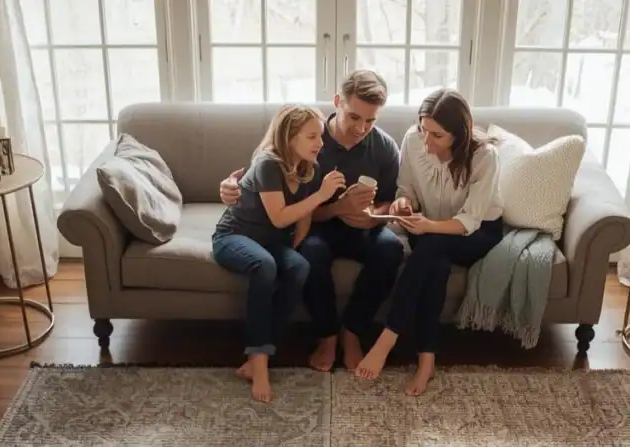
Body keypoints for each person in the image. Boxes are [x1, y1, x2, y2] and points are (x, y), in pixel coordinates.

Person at [219, 70, 405, 373]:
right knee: (310, 253)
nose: (362, 129)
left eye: (371, 121)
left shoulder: (384, 146)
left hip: (363, 228)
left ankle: (353, 331)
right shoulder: (306, 137)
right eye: (355, 117)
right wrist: (338, 208)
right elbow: (263, 182)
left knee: (391, 249)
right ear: (337, 102)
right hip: (316, 224)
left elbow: (388, 199)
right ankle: (327, 335)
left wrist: (374, 213)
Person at [353, 88, 505, 397]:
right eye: (423, 130)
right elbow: (405, 188)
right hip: (426, 226)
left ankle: (387, 338)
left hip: (475, 232)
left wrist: (429, 226)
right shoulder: (412, 140)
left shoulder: (484, 157)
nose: (426, 141)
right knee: (433, 261)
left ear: (459, 134)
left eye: (437, 135)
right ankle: (426, 360)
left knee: (432, 247)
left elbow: (471, 221)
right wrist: (403, 205)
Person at [212, 104, 347, 402]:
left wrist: (293, 249)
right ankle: (259, 362)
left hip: (272, 242)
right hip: (234, 236)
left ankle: (259, 355)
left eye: (321, 136)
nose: (321, 143)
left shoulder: (310, 168)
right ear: (289, 138)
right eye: (312, 137)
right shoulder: (268, 164)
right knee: (264, 265)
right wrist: (322, 195)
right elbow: (280, 217)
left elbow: (304, 217)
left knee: (298, 266)